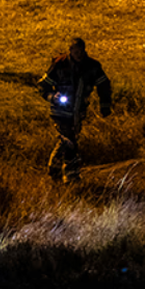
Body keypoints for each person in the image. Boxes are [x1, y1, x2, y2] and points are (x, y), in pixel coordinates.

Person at [38, 37, 112, 184]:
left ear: (84, 50)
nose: (78, 54)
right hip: (60, 111)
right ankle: (72, 177)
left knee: (67, 140)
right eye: (75, 51)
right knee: (70, 140)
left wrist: (105, 106)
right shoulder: (59, 65)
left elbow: (104, 85)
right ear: (70, 50)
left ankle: (54, 169)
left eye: (81, 51)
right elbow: (42, 86)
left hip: (79, 112)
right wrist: (52, 96)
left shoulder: (93, 66)